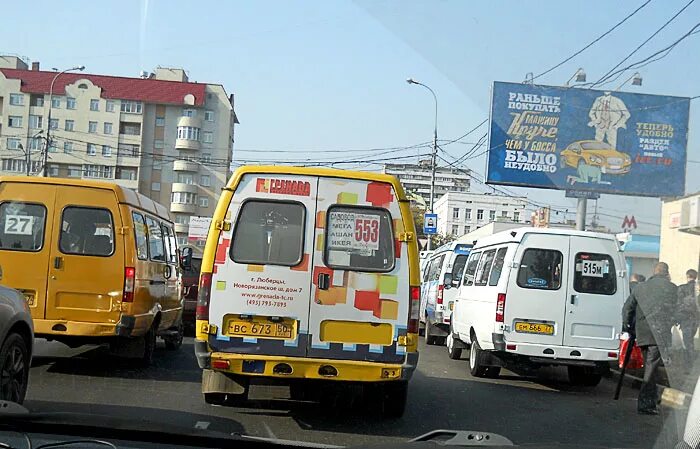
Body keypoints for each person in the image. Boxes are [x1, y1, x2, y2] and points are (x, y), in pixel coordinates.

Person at [622, 262, 678, 415]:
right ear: (667, 273)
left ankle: (652, 399)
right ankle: (646, 403)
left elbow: (627, 309)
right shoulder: (672, 288)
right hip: (659, 334)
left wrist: (627, 327)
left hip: (643, 333)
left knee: (651, 366)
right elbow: (678, 309)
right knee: (652, 367)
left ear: (654, 272)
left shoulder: (641, 287)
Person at [677, 269, 698, 370]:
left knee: (687, 343)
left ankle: (688, 365)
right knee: (690, 341)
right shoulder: (697, 289)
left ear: (687, 276)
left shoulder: (682, 288)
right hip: (696, 320)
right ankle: (690, 363)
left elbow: (678, 304)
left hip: (685, 319)